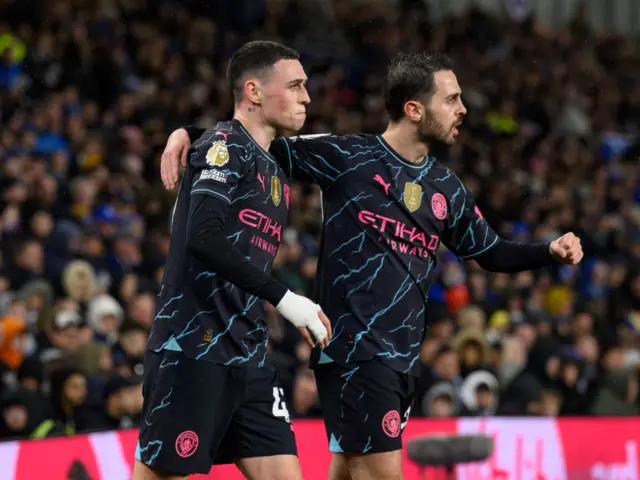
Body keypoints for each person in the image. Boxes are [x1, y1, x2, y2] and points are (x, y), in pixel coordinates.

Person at [161, 52, 583, 479]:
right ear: (414, 109)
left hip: (401, 360)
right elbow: (254, 141)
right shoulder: (348, 156)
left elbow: (490, 252)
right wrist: (192, 134)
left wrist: (548, 251)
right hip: (355, 350)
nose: (463, 109)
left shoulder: (445, 188)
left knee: (349, 469)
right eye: (452, 99)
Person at [134, 40, 332, 480]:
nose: (307, 97)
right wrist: (286, 298)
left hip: (249, 353)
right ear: (254, 92)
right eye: (296, 85)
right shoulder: (223, 145)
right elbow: (202, 238)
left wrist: (187, 128)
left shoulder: (273, 161)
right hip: (191, 349)